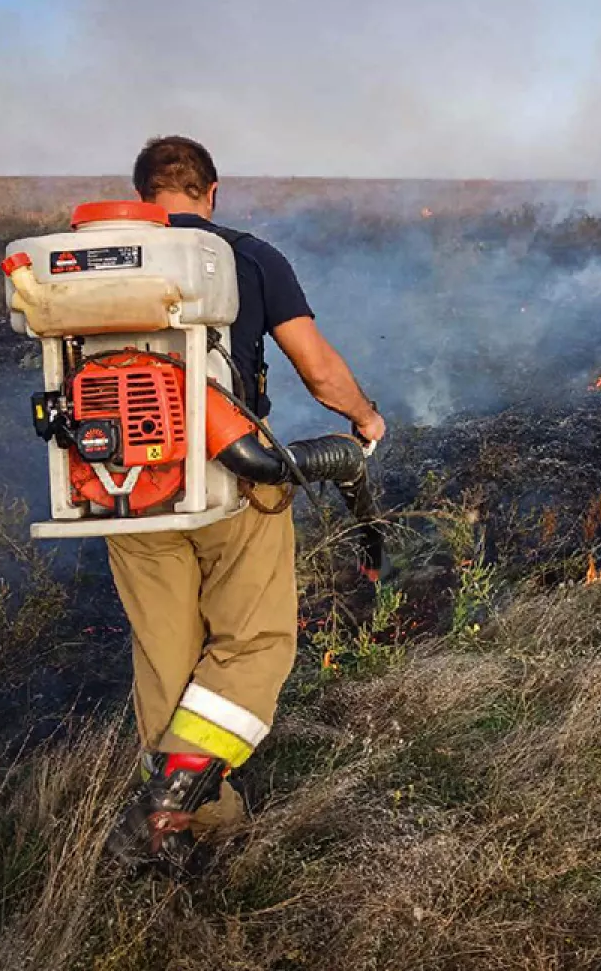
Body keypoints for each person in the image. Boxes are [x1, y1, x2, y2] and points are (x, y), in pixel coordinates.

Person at [103, 135, 386, 869]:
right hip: (234, 479)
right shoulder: (248, 255)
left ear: (140, 196)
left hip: (124, 490)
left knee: (166, 659)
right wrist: (364, 418)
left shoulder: (94, 265)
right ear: (212, 190)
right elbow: (319, 372)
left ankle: (195, 837)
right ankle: (169, 807)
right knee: (254, 644)